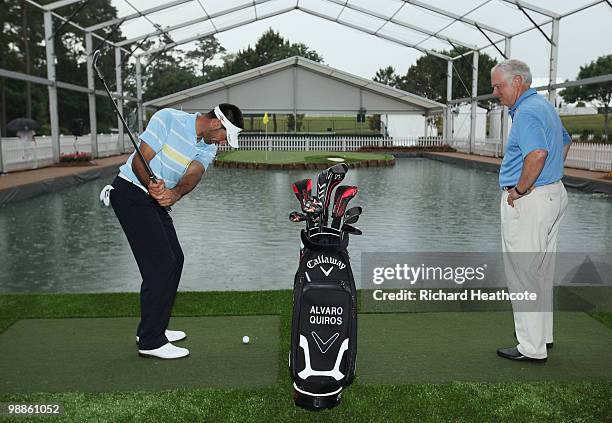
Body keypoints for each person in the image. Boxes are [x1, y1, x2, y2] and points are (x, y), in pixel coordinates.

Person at [102, 104, 244, 359]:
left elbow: (194, 174)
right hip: (130, 192)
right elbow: (139, 160)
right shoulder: (168, 118)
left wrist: (174, 193)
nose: (223, 142)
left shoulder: (207, 146)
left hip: (154, 199)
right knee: (161, 265)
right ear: (215, 123)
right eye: (225, 135)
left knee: (174, 260)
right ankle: (150, 342)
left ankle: (153, 327)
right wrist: (152, 185)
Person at [491, 59, 572, 362]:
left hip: (531, 200)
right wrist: (551, 174)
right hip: (554, 195)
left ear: (518, 82)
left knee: (523, 273)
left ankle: (531, 347)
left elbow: (537, 154)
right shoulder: (544, 106)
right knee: (540, 271)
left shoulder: (525, 113)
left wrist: (521, 189)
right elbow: (564, 141)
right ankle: (542, 336)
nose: (496, 92)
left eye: (499, 85)